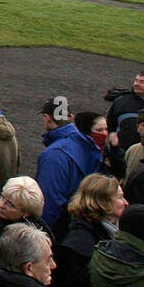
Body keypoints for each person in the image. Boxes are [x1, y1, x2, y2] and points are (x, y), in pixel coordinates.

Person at [36, 97, 103, 230]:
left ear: (47, 118)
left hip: (62, 226)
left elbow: (50, 201)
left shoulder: (53, 154)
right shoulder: (87, 143)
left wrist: (43, 233)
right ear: (71, 117)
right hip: (83, 222)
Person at [0, 176, 53, 242]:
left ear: (26, 213)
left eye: (10, 204)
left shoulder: (31, 238)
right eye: (2, 197)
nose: (1, 205)